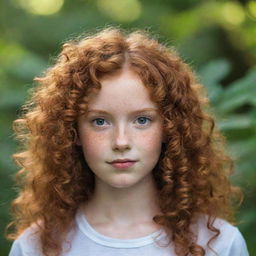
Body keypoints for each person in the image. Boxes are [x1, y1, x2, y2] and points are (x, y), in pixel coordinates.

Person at [6, 27, 249, 256]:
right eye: (100, 122)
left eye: (142, 120)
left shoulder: (218, 244)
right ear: (73, 132)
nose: (121, 141)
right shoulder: (36, 247)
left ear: (169, 127)